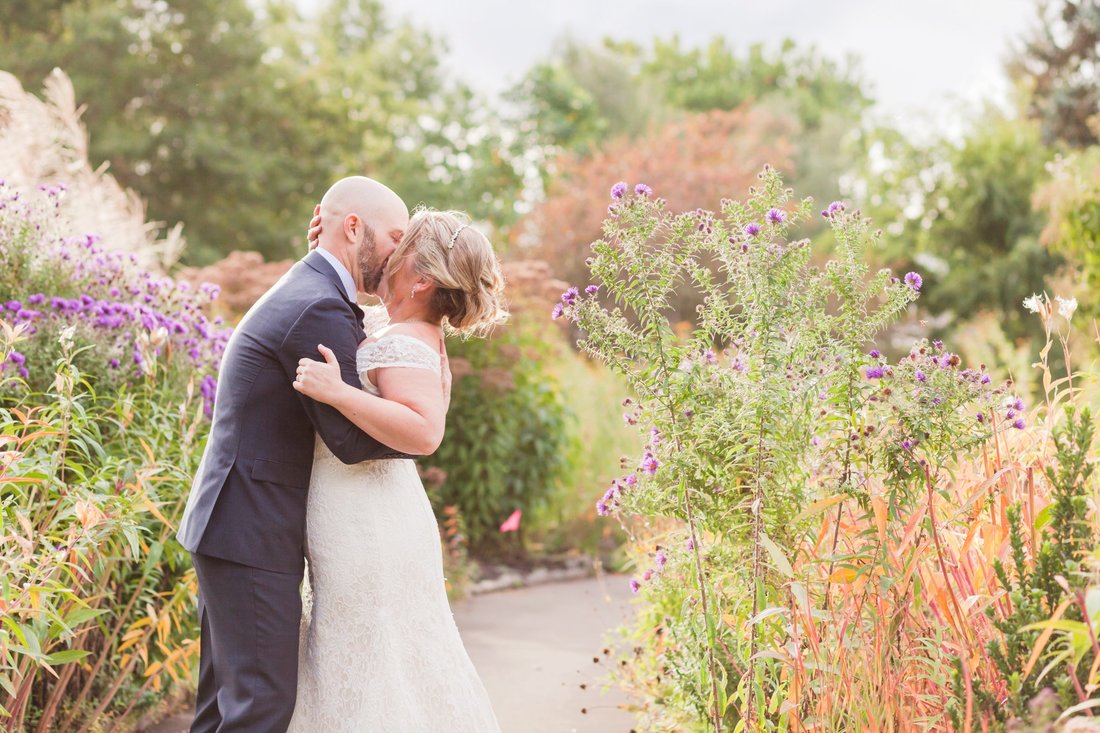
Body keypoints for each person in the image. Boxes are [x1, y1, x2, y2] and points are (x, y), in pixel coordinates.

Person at [176, 176, 418, 732]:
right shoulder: (315, 305)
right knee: (258, 709)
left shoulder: (310, 289)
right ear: (353, 228)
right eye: (394, 238)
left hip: (232, 525)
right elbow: (351, 440)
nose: (399, 254)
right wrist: (420, 429)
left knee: (224, 712)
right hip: (249, 532)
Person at [286, 207, 506, 732]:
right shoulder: (405, 329)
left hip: (370, 521)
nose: (386, 257)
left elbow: (425, 432)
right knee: (368, 650)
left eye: (398, 251)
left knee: (371, 651)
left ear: (422, 279)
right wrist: (331, 245)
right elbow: (343, 298)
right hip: (365, 509)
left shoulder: (406, 341)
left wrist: (338, 393)